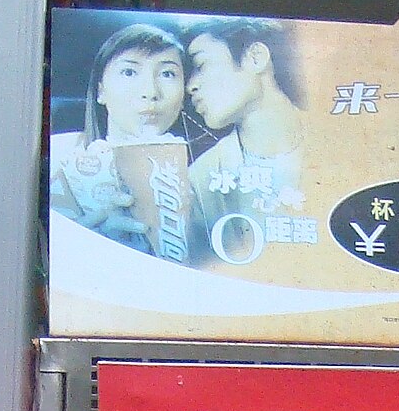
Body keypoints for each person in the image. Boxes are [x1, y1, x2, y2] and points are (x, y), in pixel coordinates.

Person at [50, 23, 191, 252]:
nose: (151, 92)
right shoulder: (56, 155)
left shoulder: (205, 176)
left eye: (167, 74)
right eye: (129, 72)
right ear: (100, 91)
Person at [184, 18, 306, 262]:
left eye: (201, 65)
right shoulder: (199, 179)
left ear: (256, 57)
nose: (190, 86)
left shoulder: (343, 141)